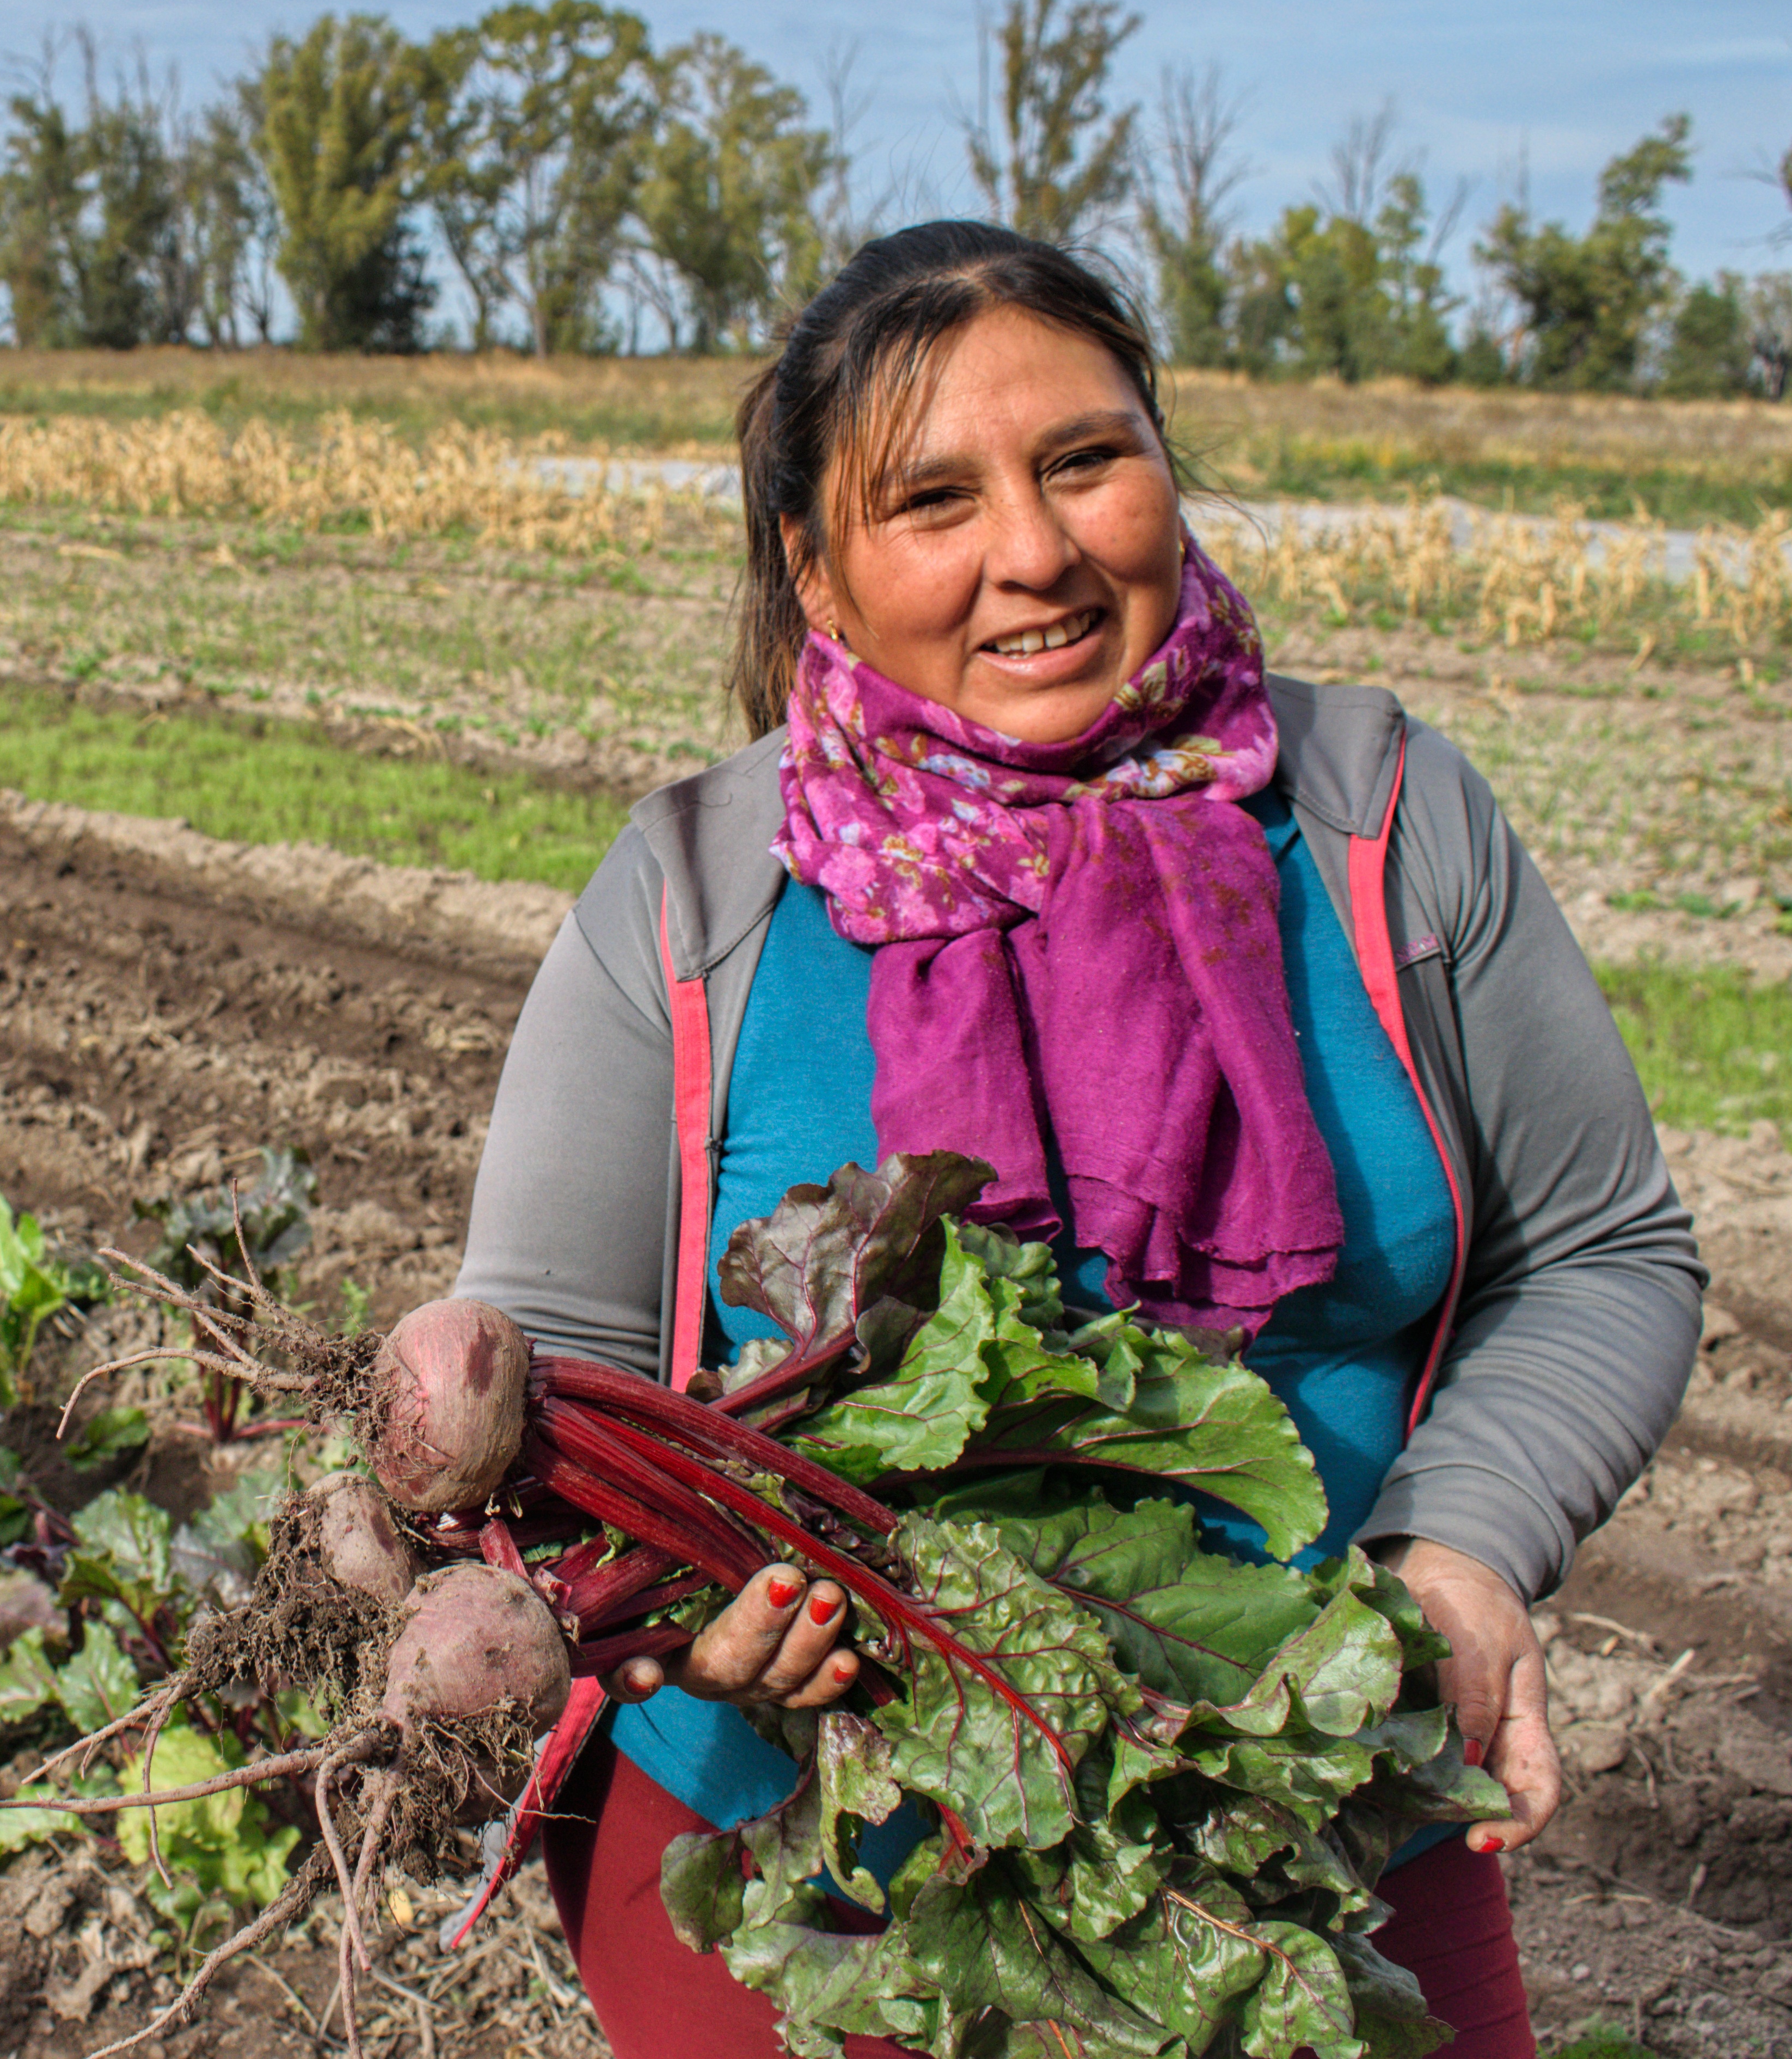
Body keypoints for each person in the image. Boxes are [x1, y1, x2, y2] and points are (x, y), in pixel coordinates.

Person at [453, 222, 1703, 2059]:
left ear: (1164, 471)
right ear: (814, 567)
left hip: (1300, 1813)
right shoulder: (698, 900)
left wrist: (1461, 1550)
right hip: (802, 1863)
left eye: (1084, 461)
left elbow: (1600, 1253)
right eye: (932, 499)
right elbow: (538, 1391)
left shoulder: (1379, 826)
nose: (1032, 553)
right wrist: (690, 1627)